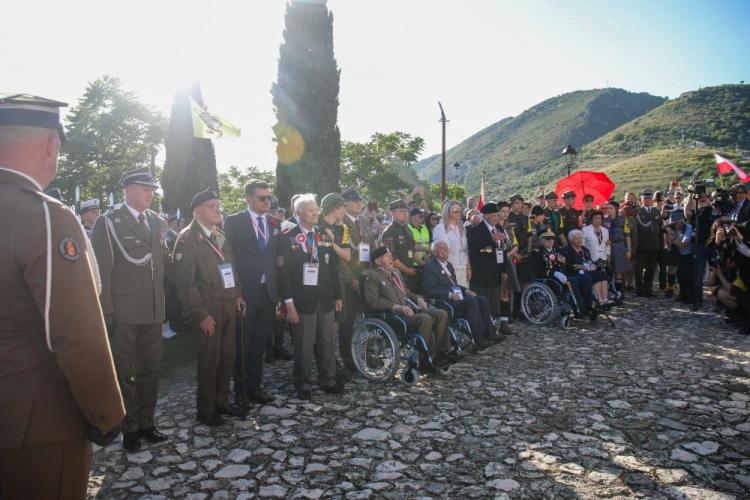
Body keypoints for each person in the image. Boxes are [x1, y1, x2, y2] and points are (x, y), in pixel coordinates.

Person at [0, 93, 124, 499]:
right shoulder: (44, 214)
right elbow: (74, 332)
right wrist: (106, 412)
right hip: (37, 424)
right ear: (52, 143)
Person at [91, 166, 170, 453]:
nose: (151, 193)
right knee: (126, 371)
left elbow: (161, 266)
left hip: (152, 308)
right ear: (129, 191)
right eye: (145, 188)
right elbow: (101, 270)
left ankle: (147, 422)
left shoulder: (158, 223)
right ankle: (130, 426)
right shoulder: (109, 222)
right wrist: (107, 310)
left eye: (152, 189)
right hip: (124, 311)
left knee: (150, 368)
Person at [172, 188, 247, 426]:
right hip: (208, 305)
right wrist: (200, 314)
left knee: (228, 355)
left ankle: (221, 403)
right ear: (197, 211)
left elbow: (230, 266)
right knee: (209, 358)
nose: (218, 210)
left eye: (218, 205)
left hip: (227, 303)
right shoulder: (187, 238)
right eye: (212, 206)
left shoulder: (218, 233)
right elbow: (184, 283)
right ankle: (205, 409)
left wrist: (237, 295)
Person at [277, 194, 344, 400]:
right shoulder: (287, 237)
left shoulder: (323, 237)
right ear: (298, 213)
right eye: (311, 209)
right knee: (304, 346)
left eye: (317, 209)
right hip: (301, 301)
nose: (317, 213)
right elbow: (284, 274)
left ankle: (328, 379)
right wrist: (289, 305)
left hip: (325, 299)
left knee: (327, 342)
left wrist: (338, 296)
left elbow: (333, 269)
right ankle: (303, 384)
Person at [223, 179, 281, 407]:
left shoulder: (275, 223)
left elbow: (276, 255)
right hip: (246, 292)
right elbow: (227, 258)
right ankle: (240, 390)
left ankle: (255, 386)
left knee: (259, 343)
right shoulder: (235, 221)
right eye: (262, 198)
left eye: (269, 198)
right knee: (243, 343)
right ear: (248, 198)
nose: (267, 201)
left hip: (268, 292)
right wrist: (235, 292)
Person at [364, 246, 453, 372]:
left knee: (441, 314)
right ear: (378, 262)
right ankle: (425, 358)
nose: (391, 258)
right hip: (394, 316)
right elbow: (372, 301)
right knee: (425, 318)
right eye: (386, 256)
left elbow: (406, 292)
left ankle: (441, 353)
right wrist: (396, 306)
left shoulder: (396, 273)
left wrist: (418, 299)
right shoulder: (373, 276)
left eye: (391, 255)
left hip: (411, 310)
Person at [423, 241, 495, 350]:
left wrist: (466, 291)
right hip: (445, 302)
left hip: (458, 297)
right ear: (434, 252)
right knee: (472, 302)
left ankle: (489, 334)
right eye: (442, 248)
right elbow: (430, 290)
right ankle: (477, 339)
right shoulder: (430, 267)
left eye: (446, 248)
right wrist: (449, 294)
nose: (446, 250)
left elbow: (454, 285)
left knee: (481, 299)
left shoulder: (449, 265)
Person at [339, 187, 376, 372]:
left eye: (360, 200)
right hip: (349, 279)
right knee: (347, 321)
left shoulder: (364, 221)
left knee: (372, 317)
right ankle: (347, 359)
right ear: (344, 204)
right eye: (355, 201)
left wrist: (377, 273)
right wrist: (351, 279)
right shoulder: (340, 223)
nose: (359, 204)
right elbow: (340, 257)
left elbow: (372, 247)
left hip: (367, 277)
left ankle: (373, 356)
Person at [467, 202, 509, 331]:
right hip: (482, 273)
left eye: (497, 215)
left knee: (494, 304)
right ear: (484, 216)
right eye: (492, 215)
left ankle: (490, 328)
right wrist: (491, 238)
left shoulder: (500, 229)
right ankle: (482, 330)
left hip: (496, 273)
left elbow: (503, 251)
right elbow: (472, 249)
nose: (495, 218)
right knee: (482, 302)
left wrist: (504, 269)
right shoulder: (475, 230)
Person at [531, 228, 590, 313]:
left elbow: (565, 265)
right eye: (547, 238)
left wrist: (577, 270)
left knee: (586, 277)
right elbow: (538, 271)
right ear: (541, 239)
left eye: (552, 238)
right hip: (551, 279)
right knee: (572, 280)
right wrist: (555, 273)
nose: (550, 240)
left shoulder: (558, 249)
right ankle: (580, 307)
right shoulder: (537, 252)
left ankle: (588, 305)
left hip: (564, 276)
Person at [381, 199, 420, 291]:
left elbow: (412, 250)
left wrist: (424, 265)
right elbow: (391, 258)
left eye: (406, 211)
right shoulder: (389, 232)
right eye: (401, 211)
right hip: (397, 276)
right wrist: (408, 271)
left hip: (411, 273)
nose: (405, 213)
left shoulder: (407, 229)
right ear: (392, 214)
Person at [565, 229, 610, 305]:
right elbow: (567, 264)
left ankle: (605, 298)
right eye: (576, 238)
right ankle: (599, 299)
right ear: (571, 240)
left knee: (602, 274)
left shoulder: (585, 250)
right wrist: (580, 266)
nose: (579, 240)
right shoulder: (568, 250)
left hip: (588, 270)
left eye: (580, 238)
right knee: (594, 276)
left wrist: (593, 265)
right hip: (577, 272)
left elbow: (589, 261)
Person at [432, 199, 471, 288]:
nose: (458, 212)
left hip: (463, 268)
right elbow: (440, 253)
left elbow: (466, 250)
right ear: (447, 211)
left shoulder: (462, 228)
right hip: (449, 269)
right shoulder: (441, 228)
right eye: (455, 210)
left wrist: (468, 267)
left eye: (460, 210)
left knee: (465, 296)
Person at [633, 189, 661, 298]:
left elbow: (659, 228)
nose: (647, 200)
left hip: (654, 245)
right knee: (639, 269)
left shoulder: (656, 211)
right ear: (641, 199)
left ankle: (648, 289)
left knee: (650, 269)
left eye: (649, 198)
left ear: (652, 200)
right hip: (641, 245)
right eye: (645, 198)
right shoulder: (637, 211)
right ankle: (640, 290)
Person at [508, 194, 533, 318]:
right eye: (517, 203)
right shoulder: (508, 217)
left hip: (524, 252)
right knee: (512, 284)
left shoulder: (525, 218)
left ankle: (519, 309)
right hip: (513, 253)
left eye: (520, 203)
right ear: (511, 204)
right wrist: (516, 254)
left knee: (523, 282)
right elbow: (508, 239)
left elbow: (529, 236)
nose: (519, 206)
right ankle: (508, 312)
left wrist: (528, 252)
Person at [497, 201, 520, 332]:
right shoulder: (494, 227)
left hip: (507, 260)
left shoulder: (509, 228)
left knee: (506, 291)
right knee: (497, 292)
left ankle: (504, 322)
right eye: (503, 211)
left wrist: (508, 254)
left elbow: (515, 245)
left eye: (507, 212)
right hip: (496, 262)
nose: (505, 214)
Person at [664, 210, 694, 304]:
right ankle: (683, 294)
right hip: (681, 253)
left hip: (690, 254)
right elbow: (669, 245)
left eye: (675, 223)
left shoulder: (688, 228)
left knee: (687, 275)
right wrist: (668, 234)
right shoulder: (673, 229)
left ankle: (690, 295)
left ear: (681, 222)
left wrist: (672, 236)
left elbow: (683, 245)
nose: (674, 225)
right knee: (680, 274)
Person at [606, 201, 633, 301]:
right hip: (608, 247)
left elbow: (627, 235)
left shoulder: (623, 220)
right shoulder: (605, 220)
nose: (608, 210)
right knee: (608, 270)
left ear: (616, 209)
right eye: (607, 208)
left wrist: (629, 249)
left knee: (618, 271)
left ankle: (618, 292)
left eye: (611, 208)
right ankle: (608, 292)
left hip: (619, 246)